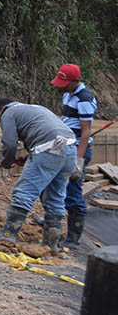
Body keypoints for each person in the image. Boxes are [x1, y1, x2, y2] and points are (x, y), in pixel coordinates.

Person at [0, 99, 76, 254]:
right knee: (55, 197)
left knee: (24, 192)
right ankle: (50, 243)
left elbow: (10, 143)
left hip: (49, 149)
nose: (0, 120)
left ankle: (8, 234)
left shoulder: (8, 113)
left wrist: (6, 162)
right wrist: (27, 158)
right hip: (70, 150)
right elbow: (46, 136)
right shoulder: (35, 108)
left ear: (0, 110)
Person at [51, 63, 98, 248]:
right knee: (53, 182)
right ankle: (53, 217)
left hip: (77, 148)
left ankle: (74, 235)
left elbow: (86, 132)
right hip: (64, 143)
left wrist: (79, 160)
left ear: (76, 81)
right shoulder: (68, 95)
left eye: (65, 82)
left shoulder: (85, 99)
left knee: (72, 190)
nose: (62, 85)